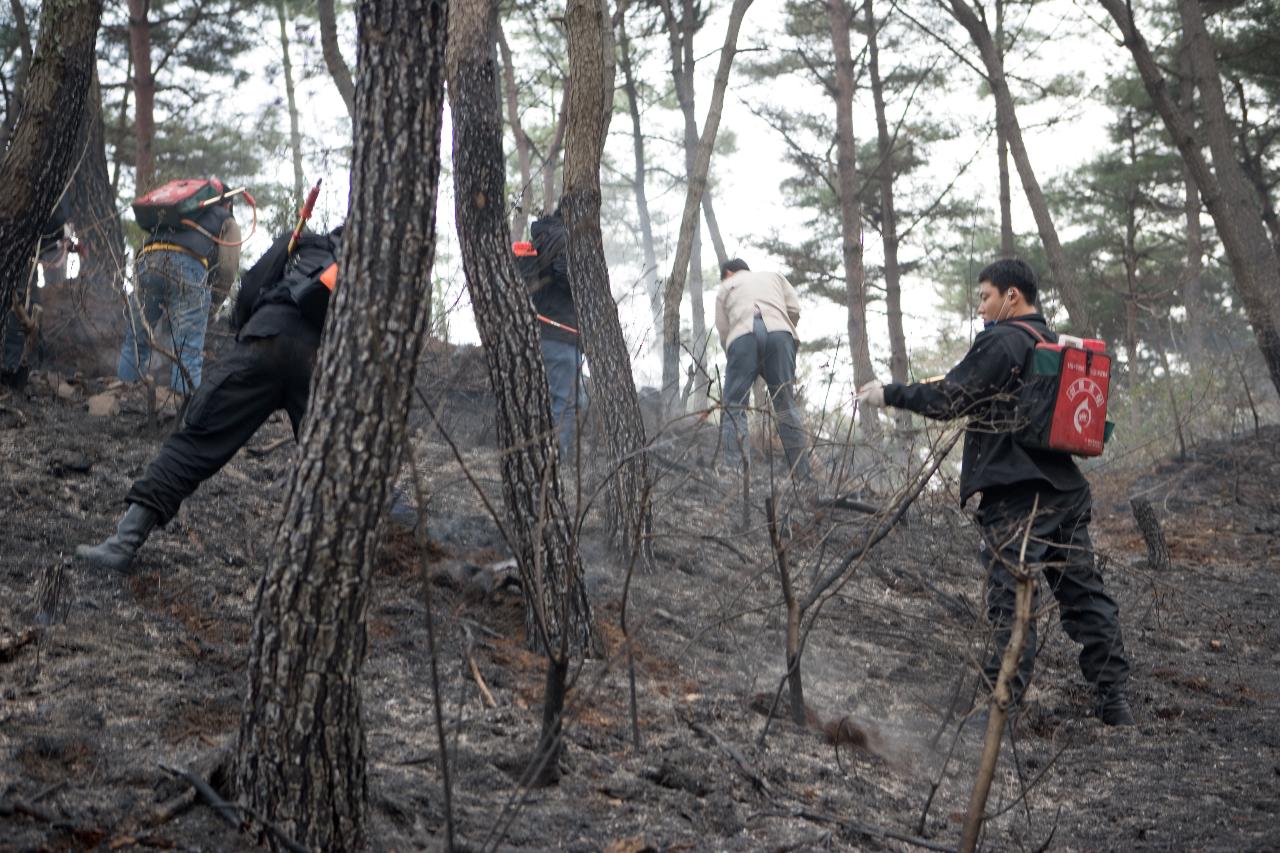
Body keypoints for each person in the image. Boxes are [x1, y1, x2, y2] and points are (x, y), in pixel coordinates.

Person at [855, 257, 1134, 726]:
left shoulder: (1003, 339)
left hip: (1018, 495)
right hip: (1066, 491)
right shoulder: (1051, 343)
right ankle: (1115, 702)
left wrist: (890, 394)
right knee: (1084, 595)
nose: (980, 308)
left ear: (1011, 296)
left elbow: (951, 398)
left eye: (985, 296)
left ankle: (997, 710)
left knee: (1009, 604)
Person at [77, 226, 341, 573]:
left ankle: (121, 544)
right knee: (340, 462)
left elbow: (251, 285)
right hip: (318, 362)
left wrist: (245, 334)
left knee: (196, 441)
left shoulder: (300, 242)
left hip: (263, 341)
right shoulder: (371, 266)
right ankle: (365, 553)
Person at [117, 180, 241, 394]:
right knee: (187, 350)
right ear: (228, 204)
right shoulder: (226, 220)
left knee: (136, 341)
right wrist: (213, 306)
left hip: (148, 260)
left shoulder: (180, 210)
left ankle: (119, 399)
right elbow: (228, 269)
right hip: (189, 266)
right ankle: (180, 414)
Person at [714, 258, 811, 479]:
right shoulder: (774, 277)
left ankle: (737, 473)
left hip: (743, 337)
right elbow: (794, 309)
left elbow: (723, 329)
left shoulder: (726, 286)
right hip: (780, 334)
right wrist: (781, 327)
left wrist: (736, 353)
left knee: (734, 406)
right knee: (786, 405)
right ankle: (803, 475)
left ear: (728, 273)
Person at [524, 206, 586, 458]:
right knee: (565, 403)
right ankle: (553, 461)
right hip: (562, 335)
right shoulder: (565, 239)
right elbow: (565, 274)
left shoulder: (539, 240)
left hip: (537, 331)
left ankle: (535, 455)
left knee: (546, 399)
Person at [1, 197, 72, 389]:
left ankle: (21, 368)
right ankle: (11, 370)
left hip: (18, 250)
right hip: (16, 252)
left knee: (27, 306)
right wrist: (60, 232)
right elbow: (48, 220)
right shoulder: (35, 187)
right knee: (22, 306)